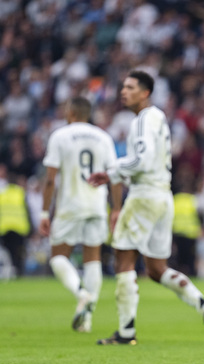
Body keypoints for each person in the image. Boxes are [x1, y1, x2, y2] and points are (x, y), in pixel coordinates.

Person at [88, 70, 204, 345]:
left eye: (130, 87)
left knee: (123, 259)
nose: (123, 92)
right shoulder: (159, 117)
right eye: (122, 87)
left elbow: (142, 159)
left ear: (145, 92)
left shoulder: (142, 119)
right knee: (156, 268)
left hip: (144, 195)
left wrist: (111, 170)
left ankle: (126, 332)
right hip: (163, 196)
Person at [39, 97, 120, 333]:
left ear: (71, 112)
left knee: (57, 257)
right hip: (96, 204)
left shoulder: (60, 135)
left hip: (70, 205)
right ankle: (87, 320)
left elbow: (50, 179)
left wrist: (45, 212)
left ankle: (81, 293)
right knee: (92, 257)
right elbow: (114, 175)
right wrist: (115, 207)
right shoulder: (103, 137)